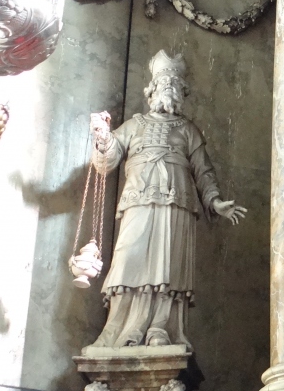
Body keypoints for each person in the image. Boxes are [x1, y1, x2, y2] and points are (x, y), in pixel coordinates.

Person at [87, 51, 247, 349]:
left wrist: (214, 201)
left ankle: (161, 328)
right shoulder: (134, 125)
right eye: (164, 84)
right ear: (152, 91)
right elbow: (106, 162)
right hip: (139, 199)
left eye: (175, 86)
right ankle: (116, 329)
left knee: (168, 265)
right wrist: (102, 137)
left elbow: (203, 171)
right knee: (127, 259)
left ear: (182, 94)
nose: (169, 89)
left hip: (177, 203)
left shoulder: (188, 130)